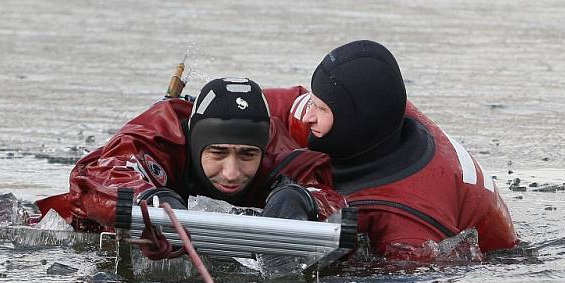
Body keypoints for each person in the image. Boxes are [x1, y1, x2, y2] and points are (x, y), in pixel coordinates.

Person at [279, 40, 517, 260]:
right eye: (314, 102)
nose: (309, 116)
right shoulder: (377, 109)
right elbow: (278, 105)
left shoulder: (408, 230)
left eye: (320, 108)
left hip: (475, 263)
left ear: (353, 121)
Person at [35, 77, 345, 231]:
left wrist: (301, 200)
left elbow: (327, 197)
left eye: (247, 155)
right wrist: (152, 200)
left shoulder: (282, 156)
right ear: (196, 144)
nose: (232, 172)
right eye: (218, 153)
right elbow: (95, 176)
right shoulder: (159, 138)